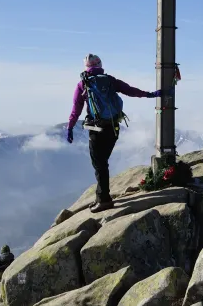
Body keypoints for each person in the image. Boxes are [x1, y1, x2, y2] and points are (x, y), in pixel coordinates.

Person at [67, 54, 164, 212]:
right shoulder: (110, 80)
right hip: (113, 128)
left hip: (97, 129)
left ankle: (104, 200)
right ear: (100, 65)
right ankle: (101, 196)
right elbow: (130, 90)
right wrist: (150, 94)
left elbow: (76, 109)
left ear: (86, 67)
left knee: (99, 165)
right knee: (103, 163)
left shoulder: (82, 84)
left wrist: (70, 127)